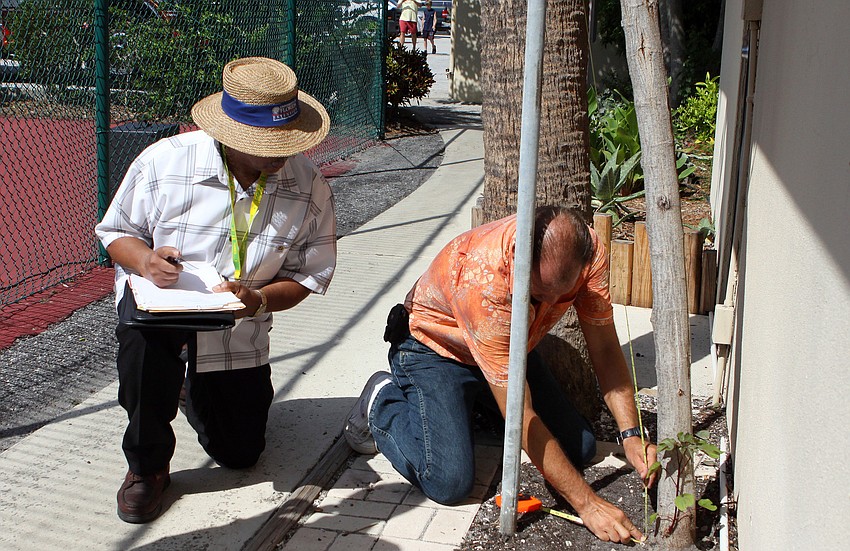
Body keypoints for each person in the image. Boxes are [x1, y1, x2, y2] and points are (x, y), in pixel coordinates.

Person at [96, 57, 336, 524]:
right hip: (160, 311)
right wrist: (145, 260)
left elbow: (310, 274)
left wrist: (260, 300)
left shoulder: (310, 186)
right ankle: (147, 466)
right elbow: (115, 231)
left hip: (238, 327)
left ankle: (191, 387)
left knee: (240, 453)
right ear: (228, 134)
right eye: (266, 144)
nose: (279, 154)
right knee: (145, 356)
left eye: (287, 142)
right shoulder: (165, 160)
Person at [344, 206, 658, 544]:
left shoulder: (590, 251)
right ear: (519, 259)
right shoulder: (485, 282)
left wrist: (631, 434)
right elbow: (520, 418)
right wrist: (588, 504)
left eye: (561, 294)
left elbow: (606, 349)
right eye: (539, 294)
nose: (552, 304)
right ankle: (382, 402)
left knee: (580, 448)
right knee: (449, 482)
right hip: (433, 350)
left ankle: (469, 406)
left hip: (505, 350)